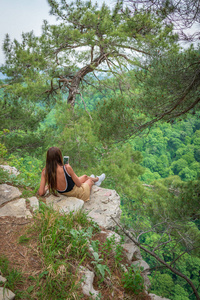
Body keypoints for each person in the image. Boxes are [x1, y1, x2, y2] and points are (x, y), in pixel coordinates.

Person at [38, 147, 105, 201]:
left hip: (63, 191)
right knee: (89, 181)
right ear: (59, 157)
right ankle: (95, 181)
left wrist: (47, 187)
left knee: (85, 176)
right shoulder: (66, 168)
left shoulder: (45, 171)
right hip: (75, 193)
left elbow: (41, 193)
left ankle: (97, 179)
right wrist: (71, 170)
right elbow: (78, 184)